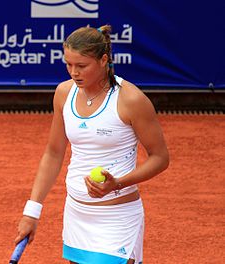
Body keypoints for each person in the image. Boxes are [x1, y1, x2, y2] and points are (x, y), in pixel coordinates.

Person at [14, 25, 169, 264]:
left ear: (103, 60)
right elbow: (54, 153)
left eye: (81, 66)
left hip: (117, 218)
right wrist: (31, 212)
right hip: (77, 215)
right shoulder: (64, 93)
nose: (73, 72)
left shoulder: (131, 100)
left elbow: (160, 157)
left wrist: (117, 183)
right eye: (68, 64)